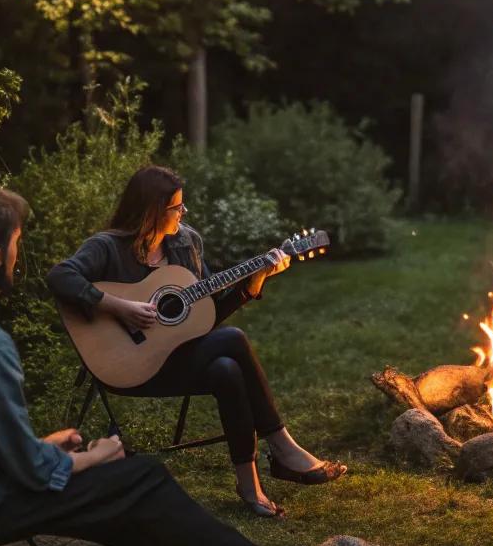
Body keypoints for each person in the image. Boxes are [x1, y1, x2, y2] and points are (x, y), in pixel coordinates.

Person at [0, 184, 341, 546]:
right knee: (141, 477)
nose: (16, 254)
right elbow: (32, 472)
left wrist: (45, 445)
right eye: (16, 242)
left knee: (129, 495)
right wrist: (95, 455)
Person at [47, 164, 347, 518]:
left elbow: (205, 317)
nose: (183, 212)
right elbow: (60, 276)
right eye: (176, 206)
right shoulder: (107, 247)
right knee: (233, 340)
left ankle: (249, 484)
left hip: (179, 358)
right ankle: (282, 447)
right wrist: (120, 307)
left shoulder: (185, 243)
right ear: (151, 210)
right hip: (128, 365)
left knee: (226, 369)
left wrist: (252, 285)